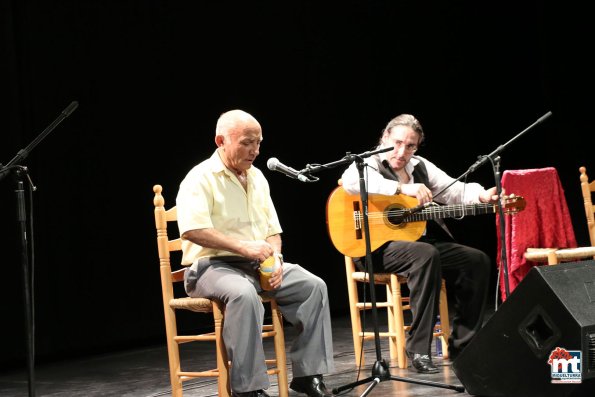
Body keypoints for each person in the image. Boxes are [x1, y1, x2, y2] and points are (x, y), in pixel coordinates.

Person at [176, 109, 335, 397]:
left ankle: (309, 375)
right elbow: (192, 230)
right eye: (247, 143)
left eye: (259, 143)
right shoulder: (199, 178)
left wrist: (274, 260)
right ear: (220, 141)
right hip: (210, 266)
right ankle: (248, 389)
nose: (255, 150)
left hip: (254, 265)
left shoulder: (259, 177)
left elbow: (273, 231)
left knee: (313, 286)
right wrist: (244, 247)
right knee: (244, 295)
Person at [340, 113, 497, 374]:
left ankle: (464, 345)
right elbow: (350, 183)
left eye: (410, 146)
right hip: (376, 247)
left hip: (417, 244)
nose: (402, 152)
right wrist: (401, 189)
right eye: (397, 143)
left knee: (476, 260)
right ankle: (419, 349)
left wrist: (482, 195)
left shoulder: (420, 166)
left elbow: (454, 190)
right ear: (384, 138)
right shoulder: (367, 163)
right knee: (426, 254)